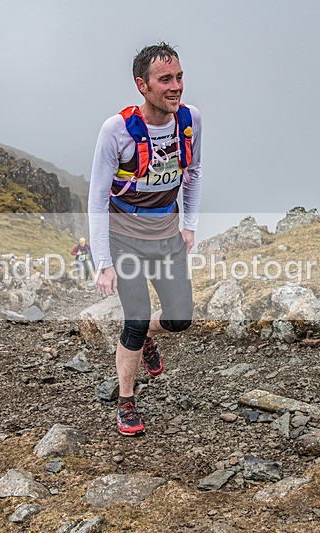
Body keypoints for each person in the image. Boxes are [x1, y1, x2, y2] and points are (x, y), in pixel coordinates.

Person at [88, 42, 202, 436]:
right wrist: (103, 263)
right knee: (135, 320)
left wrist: (190, 225)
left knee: (180, 320)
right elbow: (97, 198)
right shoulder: (116, 130)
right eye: (165, 79)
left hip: (167, 237)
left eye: (180, 77)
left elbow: (194, 172)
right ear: (143, 85)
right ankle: (126, 402)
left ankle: (148, 340)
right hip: (125, 241)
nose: (176, 87)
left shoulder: (190, 120)